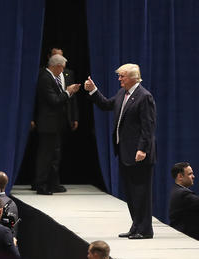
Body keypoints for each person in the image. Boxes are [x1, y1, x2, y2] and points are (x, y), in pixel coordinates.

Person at [85, 63, 156, 239]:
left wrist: (142, 149)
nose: (119, 79)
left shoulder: (144, 96)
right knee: (131, 194)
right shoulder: (122, 94)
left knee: (141, 193)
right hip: (125, 152)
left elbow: (148, 126)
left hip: (139, 155)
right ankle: (136, 226)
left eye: (122, 76)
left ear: (133, 77)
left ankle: (145, 230)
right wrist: (94, 91)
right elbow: (106, 105)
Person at [33, 54, 81, 195]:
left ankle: (52, 184)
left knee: (54, 156)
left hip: (55, 125)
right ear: (56, 66)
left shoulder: (51, 77)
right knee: (45, 156)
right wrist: (68, 91)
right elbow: (54, 100)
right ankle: (41, 185)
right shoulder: (45, 78)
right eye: (62, 69)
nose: (62, 72)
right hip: (47, 125)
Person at [169, 162, 199, 239]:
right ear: (180, 176)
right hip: (187, 237)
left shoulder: (176, 190)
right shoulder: (183, 194)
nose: (193, 176)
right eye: (190, 174)